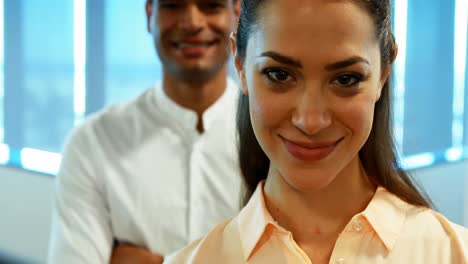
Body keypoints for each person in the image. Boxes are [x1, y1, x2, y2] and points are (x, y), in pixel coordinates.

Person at [164, 0, 468, 263]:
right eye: (279, 74)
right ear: (240, 64)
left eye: (346, 79)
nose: (311, 121)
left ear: (384, 73)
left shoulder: (454, 254)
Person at [48, 0, 242, 263]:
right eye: (173, 5)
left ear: (237, 14)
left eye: (211, 6)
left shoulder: (275, 140)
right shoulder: (93, 142)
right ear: (149, 13)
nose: (193, 22)